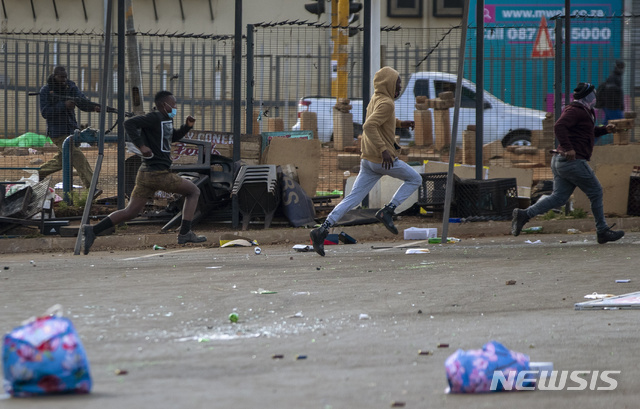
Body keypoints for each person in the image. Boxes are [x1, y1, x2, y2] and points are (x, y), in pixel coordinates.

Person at [309, 66, 421, 256]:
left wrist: (401, 124)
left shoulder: (377, 99)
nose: (399, 88)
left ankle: (323, 229)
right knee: (415, 179)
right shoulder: (387, 103)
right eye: (397, 84)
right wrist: (384, 149)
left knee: (352, 199)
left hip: (368, 160)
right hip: (382, 159)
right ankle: (388, 210)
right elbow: (369, 125)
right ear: (388, 84)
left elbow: (381, 119)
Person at [82, 90, 206, 254]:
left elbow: (171, 137)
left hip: (146, 174)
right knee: (194, 191)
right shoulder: (153, 117)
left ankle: (93, 230)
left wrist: (186, 127)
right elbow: (129, 124)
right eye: (173, 104)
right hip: (158, 174)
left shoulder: (166, 120)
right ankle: (185, 233)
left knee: (131, 211)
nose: (175, 107)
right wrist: (141, 146)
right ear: (164, 105)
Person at [512, 82, 624, 244]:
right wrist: (568, 147)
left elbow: (586, 131)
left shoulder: (585, 111)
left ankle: (524, 214)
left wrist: (605, 129)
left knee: (559, 197)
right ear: (586, 97)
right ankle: (602, 230)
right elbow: (559, 126)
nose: (594, 98)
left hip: (561, 161)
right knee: (596, 191)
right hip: (573, 160)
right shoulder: (575, 110)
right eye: (592, 95)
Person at [38, 66, 102, 197]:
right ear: (54, 76)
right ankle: (92, 188)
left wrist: (93, 107)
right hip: (58, 132)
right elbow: (45, 112)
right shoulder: (46, 90)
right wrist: (63, 105)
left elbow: (82, 102)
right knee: (77, 156)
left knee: (63, 159)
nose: (64, 80)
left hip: (71, 130)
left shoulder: (71, 87)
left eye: (65, 77)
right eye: (61, 77)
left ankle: (38, 172)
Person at [596, 60, 625, 125]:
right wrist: (619, 104)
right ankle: (595, 133)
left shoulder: (617, 77)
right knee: (621, 124)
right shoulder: (613, 78)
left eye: (622, 67)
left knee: (605, 124)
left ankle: (595, 133)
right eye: (620, 66)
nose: (622, 69)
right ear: (616, 67)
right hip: (612, 106)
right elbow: (613, 93)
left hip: (610, 106)